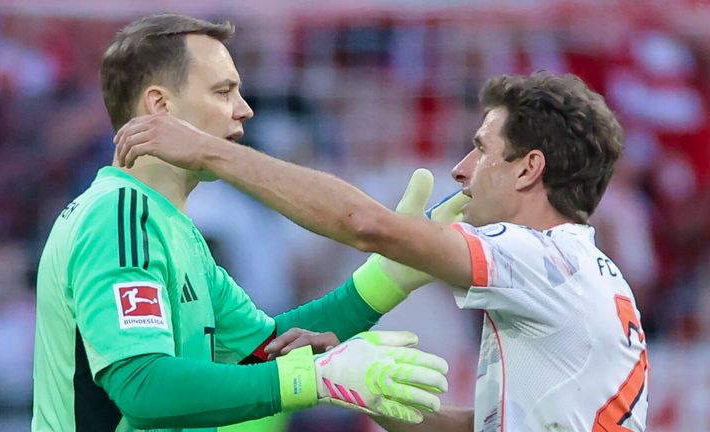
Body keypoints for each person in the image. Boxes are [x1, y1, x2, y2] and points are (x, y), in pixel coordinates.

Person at [115, 71, 649, 431]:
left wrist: (210, 151)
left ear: (530, 168)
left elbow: (366, 226)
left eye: (482, 149)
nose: (461, 168)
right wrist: (344, 379)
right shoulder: (584, 272)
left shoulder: (536, 257)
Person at [31, 14, 453, 432]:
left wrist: (388, 277)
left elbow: (266, 351)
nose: (244, 110)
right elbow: (142, 386)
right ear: (160, 106)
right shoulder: (119, 214)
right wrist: (317, 378)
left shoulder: (173, 228)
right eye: (223, 91)